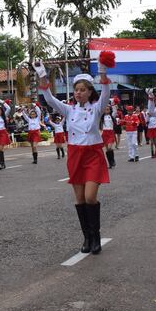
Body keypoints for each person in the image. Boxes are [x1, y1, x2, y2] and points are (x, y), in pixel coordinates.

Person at [36, 54, 112, 255]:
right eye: (76, 90)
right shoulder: (69, 110)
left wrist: (102, 70)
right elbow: (49, 98)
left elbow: (105, 91)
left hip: (93, 155)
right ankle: (87, 238)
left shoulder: (97, 109)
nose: (78, 93)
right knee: (79, 199)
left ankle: (96, 235)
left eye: (82, 90)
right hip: (76, 155)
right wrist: (42, 75)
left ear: (89, 92)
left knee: (90, 197)